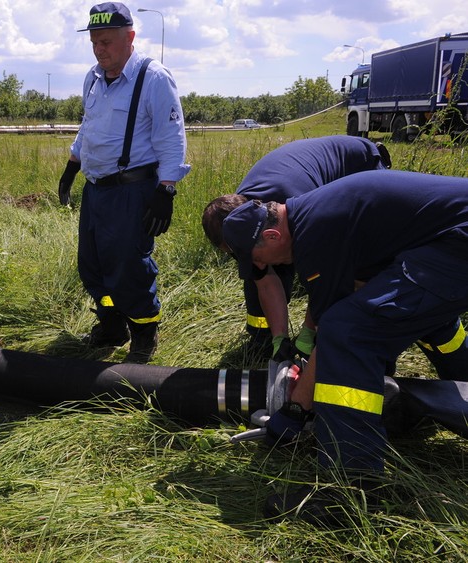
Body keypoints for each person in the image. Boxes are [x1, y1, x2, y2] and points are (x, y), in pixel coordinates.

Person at [221, 170, 468, 522]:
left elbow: (332, 333)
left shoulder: (316, 235)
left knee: (348, 333)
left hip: (457, 244)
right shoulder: (313, 214)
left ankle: (351, 490)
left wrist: (295, 409)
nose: (261, 266)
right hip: (450, 241)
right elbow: (364, 288)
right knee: (420, 314)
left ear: (274, 235)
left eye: (257, 258)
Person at [58, 2, 189, 363]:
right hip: (97, 190)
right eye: (95, 43)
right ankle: (111, 324)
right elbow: (89, 127)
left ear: (130, 37)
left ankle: (145, 333)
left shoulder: (153, 78)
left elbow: (172, 138)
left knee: (129, 267)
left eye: (107, 42)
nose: (100, 50)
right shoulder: (93, 78)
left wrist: (167, 189)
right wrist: (72, 167)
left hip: (133, 190)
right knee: (93, 264)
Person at [202, 136, 392, 358]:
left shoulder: (300, 211)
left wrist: (307, 334)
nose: (235, 256)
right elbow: (264, 282)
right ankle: (265, 339)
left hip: (360, 164)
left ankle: (364, 343)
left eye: (234, 250)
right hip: (306, 177)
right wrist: (279, 338)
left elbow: (325, 274)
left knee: (359, 267)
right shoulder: (243, 221)